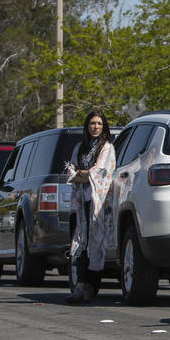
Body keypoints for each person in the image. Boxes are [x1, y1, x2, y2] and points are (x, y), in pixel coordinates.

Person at [67, 110, 116, 304]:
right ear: (87, 126)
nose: (95, 127)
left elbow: (100, 172)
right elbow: (70, 171)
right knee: (81, 242)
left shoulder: (107, 147)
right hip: (82, 201)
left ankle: (91, 288)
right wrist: (82, 174)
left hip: (99, 203)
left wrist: (82, 174)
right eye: (92, 123)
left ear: (104, 127)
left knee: (96, 243)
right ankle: (80, 286)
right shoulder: (80, 147)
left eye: (99, 124)